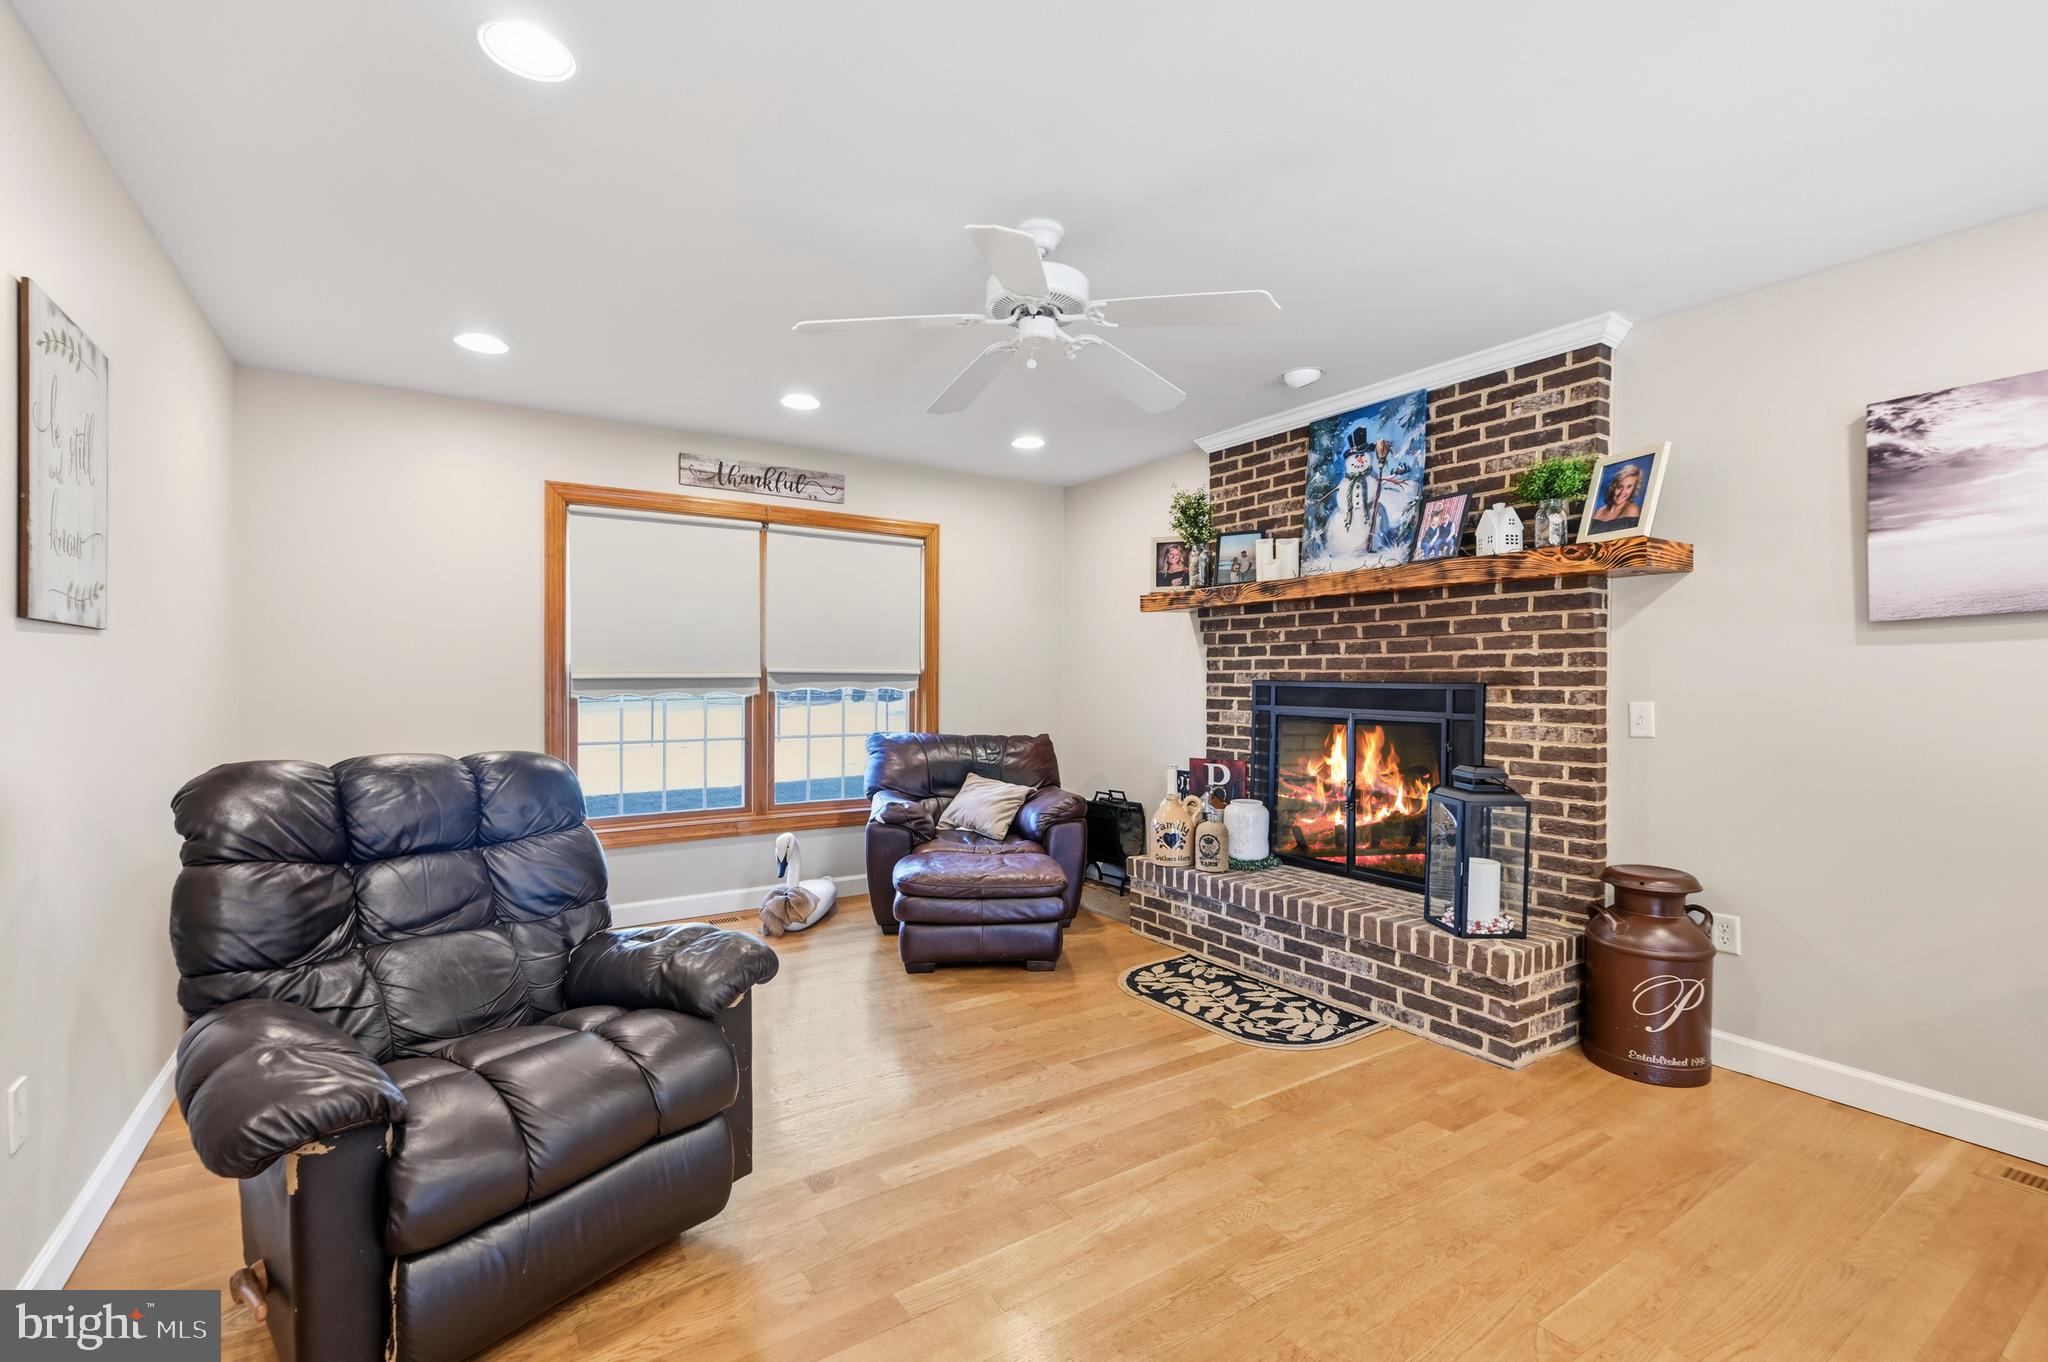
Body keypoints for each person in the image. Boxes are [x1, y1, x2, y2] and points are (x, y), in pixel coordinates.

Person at [1592, 461, 1646, 527]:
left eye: (1629, 487)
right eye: (1619, 487)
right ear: (1613, 487)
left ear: (1634, 489)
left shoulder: (1632, 509)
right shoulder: (1598, 512)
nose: (1622, 492)